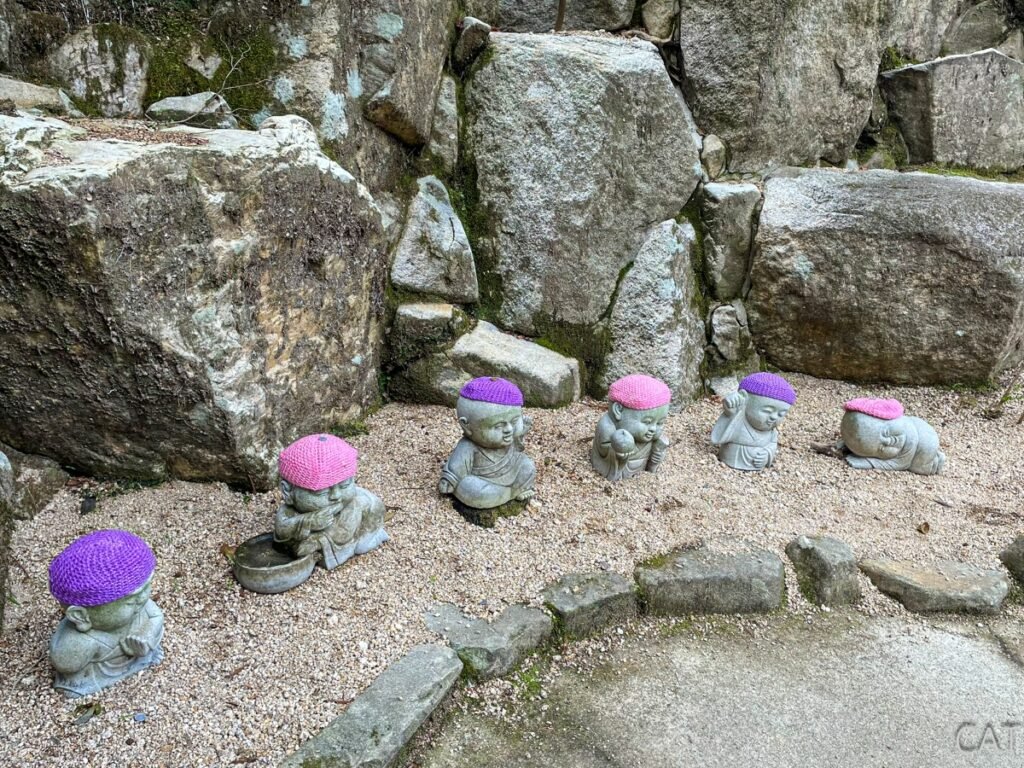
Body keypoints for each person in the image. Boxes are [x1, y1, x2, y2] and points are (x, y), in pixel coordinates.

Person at [48, 530, 165, 697]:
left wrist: (146, 635)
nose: (142, 600)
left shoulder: (140, 607)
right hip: (94, 672)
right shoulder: (82, 639)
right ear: (81, 616)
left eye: (145, 589)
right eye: (131, 601)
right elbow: (64, 662)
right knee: (74, 681)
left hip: (138, 651)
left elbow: (156, 616)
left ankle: (143, 658)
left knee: (150, 645)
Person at [274, 434, 388, 569]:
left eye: (344, 485)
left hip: (361, 527)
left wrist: (317, 541)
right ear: (288, 491)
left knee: (362, 546)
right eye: (322, 492)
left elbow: (344, 534)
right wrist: (308, 521)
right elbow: (282, 529)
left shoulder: (356, 505)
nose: (336, 495)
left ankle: (373, 538)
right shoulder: (289, 511)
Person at [439, 377, 536, 509]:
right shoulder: (468, 446)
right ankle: (511, 492)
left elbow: (518, 447)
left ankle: (510, 492)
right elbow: (456, 466)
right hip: (481, 480)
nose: (508, 430)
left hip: (510, 470)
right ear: (467, 426)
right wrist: (449, 479)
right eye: (498, 425)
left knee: (527, 466)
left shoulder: (509, 437)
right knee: (471, 488)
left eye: (513, 422)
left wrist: (521, 432)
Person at [591, 374, 671, 482]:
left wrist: (656, 457)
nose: (653, 428)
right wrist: (618, 453)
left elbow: (657, 446)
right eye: (647, 422)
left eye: (659, 422)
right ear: (618, 410)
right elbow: (604, 451)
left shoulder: (650, 434)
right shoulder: (607, 426)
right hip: (618, 468)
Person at [711, 372, 795, 471]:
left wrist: (767, 454)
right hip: (732, 457)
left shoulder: (772, 432)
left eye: (780, 414)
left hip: (758, 461)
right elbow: (727, 422)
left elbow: (772, 444)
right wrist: (731, 409)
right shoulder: (740, 417)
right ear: (745, 399)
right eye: (767, 411)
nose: (774, 417)